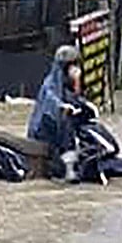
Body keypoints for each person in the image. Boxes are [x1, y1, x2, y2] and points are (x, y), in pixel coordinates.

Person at [27, 45, 85, 183]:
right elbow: (50, 99)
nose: (75, 69)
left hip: (57, 132)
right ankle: (66, 172)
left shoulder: (66, 85)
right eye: (71, 65)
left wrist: (77, 82)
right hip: (43, 133)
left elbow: (77, 99)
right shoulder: (51, 83)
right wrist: (61, 106)